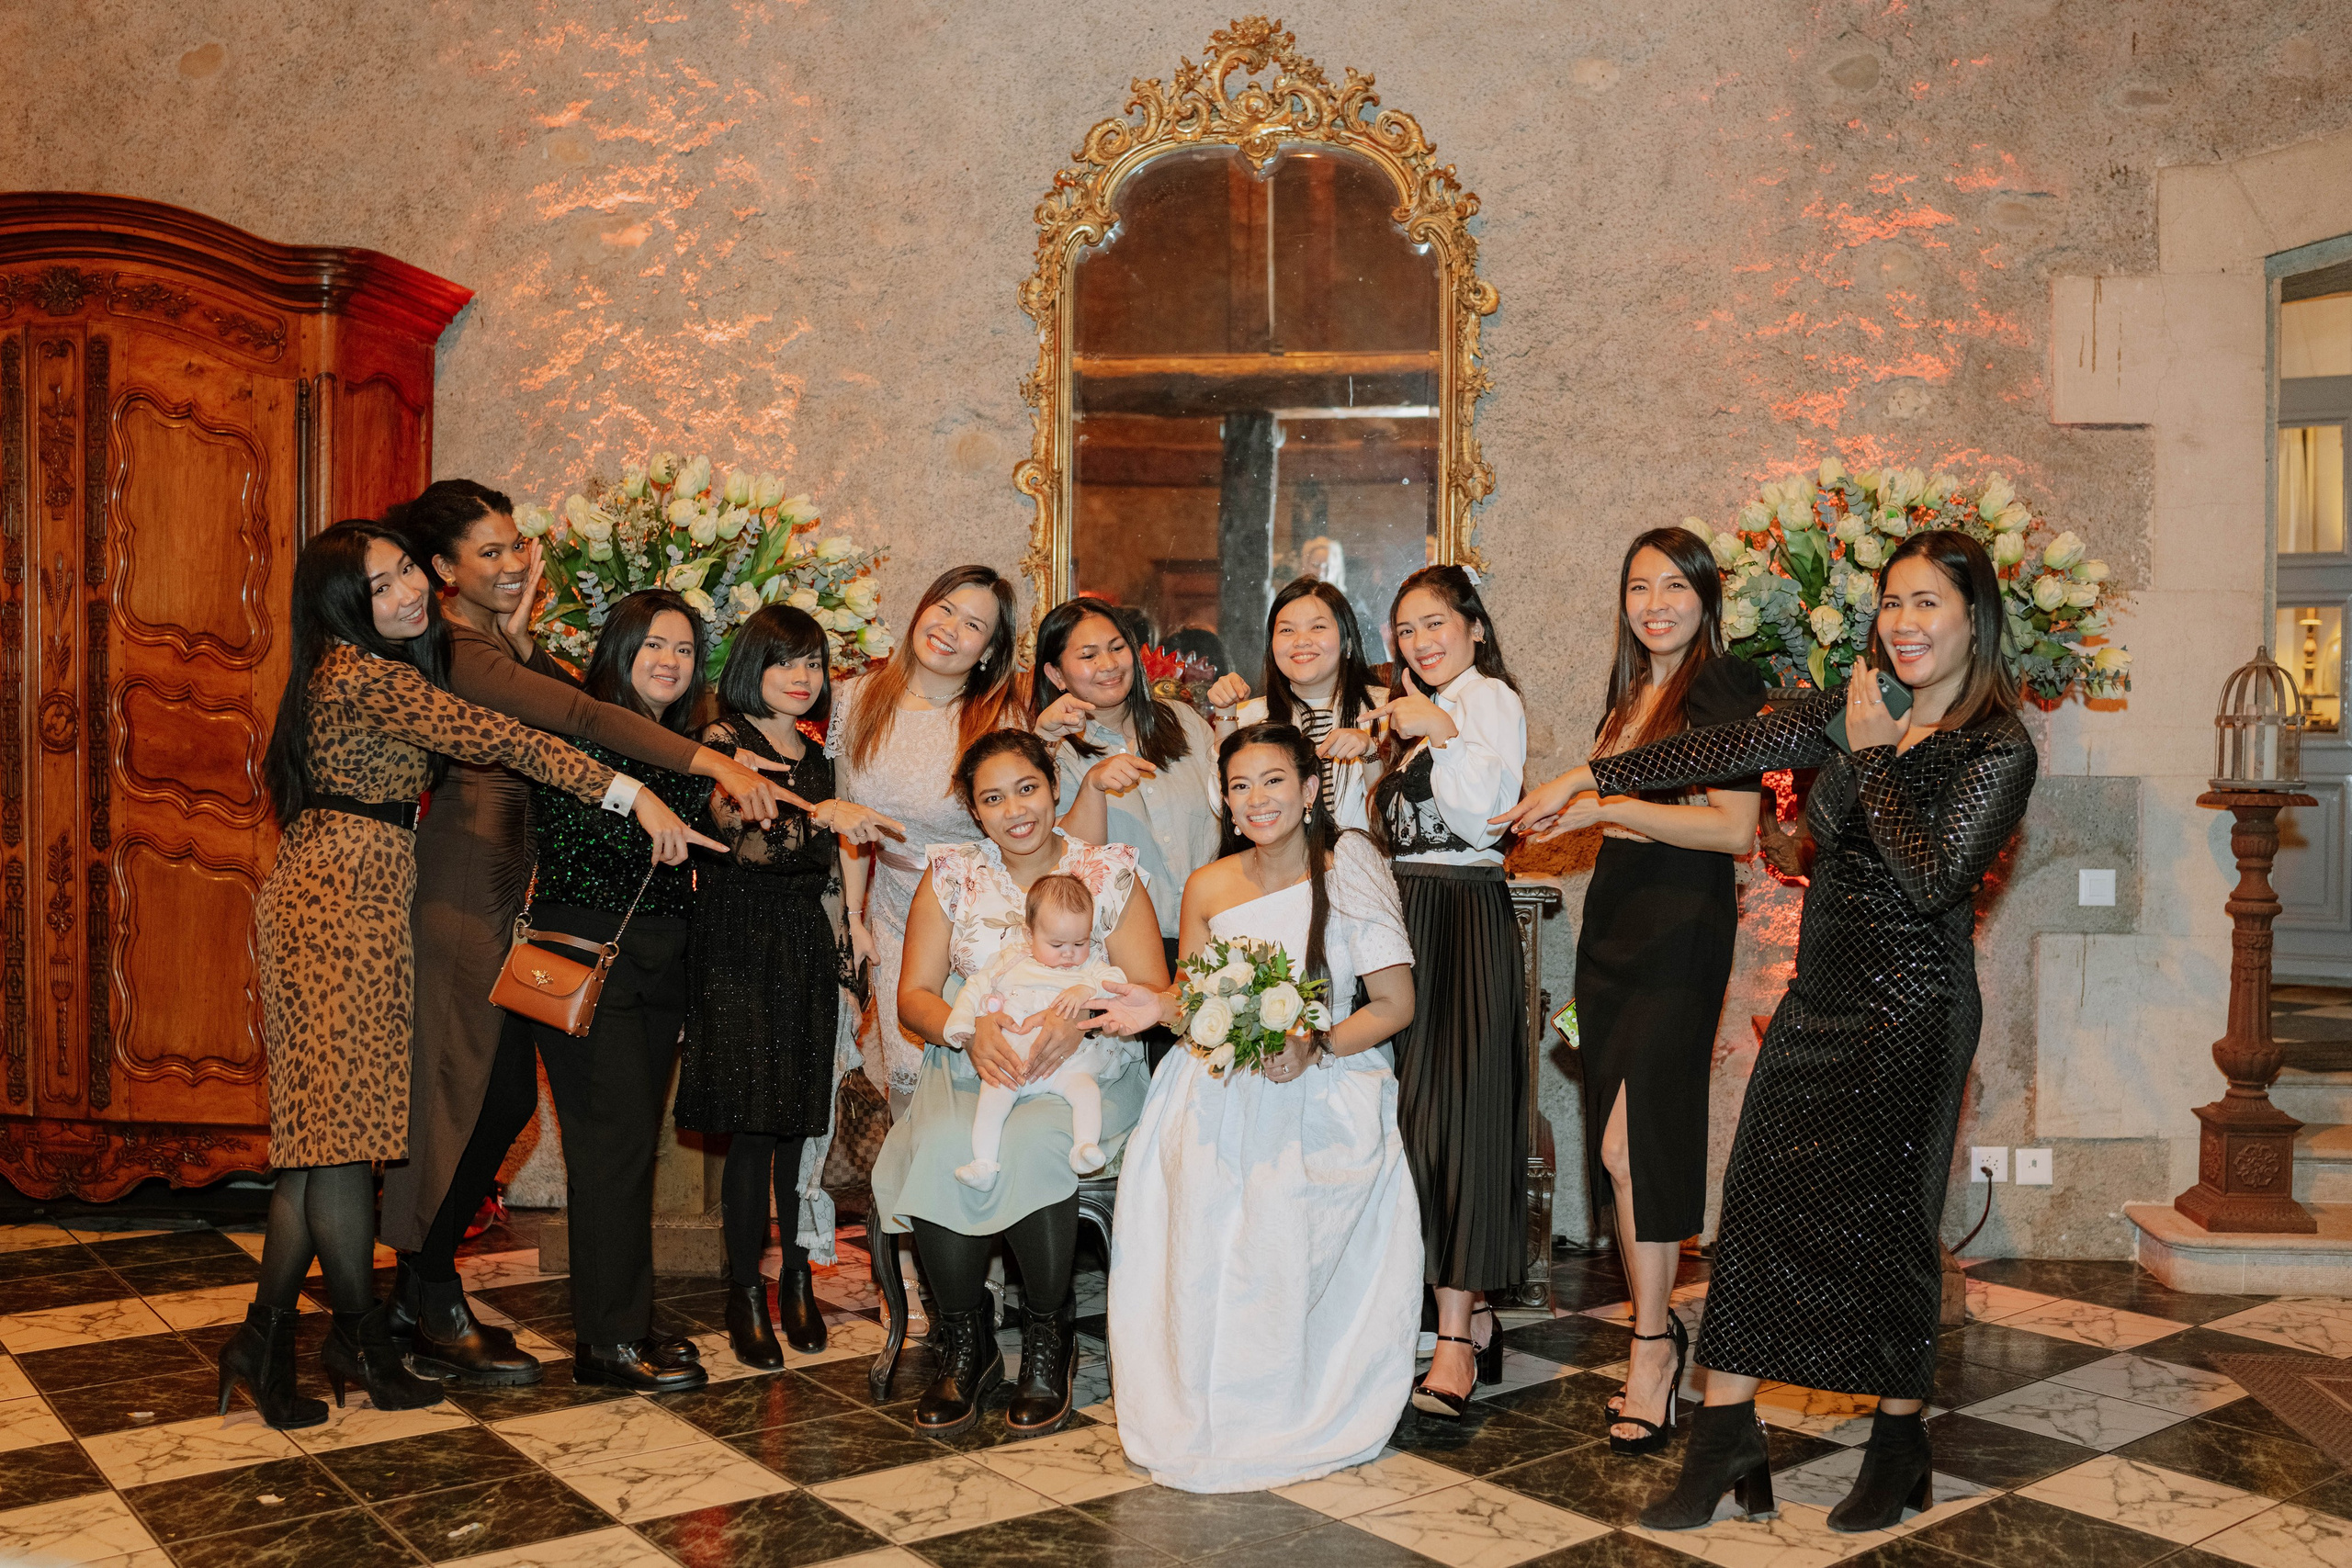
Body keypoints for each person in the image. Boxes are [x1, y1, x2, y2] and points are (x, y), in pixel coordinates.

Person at [1498, 529, 2038, 1532]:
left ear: (1975, 619)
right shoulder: (1857, 703)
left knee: (1891, 1230)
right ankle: (1724, 1438)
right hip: (1818, 1000)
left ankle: (1898, 1444)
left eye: (1927, 602)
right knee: (1752, 1214)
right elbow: (1720, 748)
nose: (1904, 622)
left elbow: (1931, 877)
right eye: (1892, 601)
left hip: (1915, 1013)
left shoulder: (1997, 746)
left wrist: (1870, 757)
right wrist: (1587, 777)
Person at [233, 521, 680, 1428]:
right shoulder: (360, 674)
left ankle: (274, 1344)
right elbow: (499, 736)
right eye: (381, 585)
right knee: (336, 1146)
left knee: (327, 1147)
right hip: (337, 903)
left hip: (359, 889)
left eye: (407, 572)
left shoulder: (369, 667)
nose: (406, 592)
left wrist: (514, 632)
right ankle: (352, 1339)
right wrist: (629, 790)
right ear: (341, 603)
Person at [378, 479, 788, 1386]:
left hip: (510, 894)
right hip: (466, 890)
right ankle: (427, 1285)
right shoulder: (455, 646)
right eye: (488, 551)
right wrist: (706, 762)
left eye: (515, 544)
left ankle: (421, 1282)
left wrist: (522, 633)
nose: (512, 561)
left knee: (500, 1106)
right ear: (443, 568)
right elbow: (580, 716)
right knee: (463, 1102)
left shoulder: (492, 643)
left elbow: (573, 711)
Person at [1108, 723, 1419, 1493]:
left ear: (1310, 789)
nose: (1257, 799)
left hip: (1328, 1068)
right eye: (1240, 785)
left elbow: (1395, 1004)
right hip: (1217, 1073)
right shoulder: (1208, 884)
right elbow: (1192, 997)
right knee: (1196, 1203)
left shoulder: (1349, 866)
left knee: (1277, 1220)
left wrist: (1317, 1044)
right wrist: (1158, 1005)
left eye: (1274, 780)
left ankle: (1283, 1398)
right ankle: (1200, 1396)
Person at [868, 731, 1168, 1438]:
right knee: (945, 1144)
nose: (1015, 809)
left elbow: (1153, 987)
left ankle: (1047, 1336)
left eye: (1027, 788)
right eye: (993, 798)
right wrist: (970, 1032)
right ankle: (966, 1342)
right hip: (974, 1062)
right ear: (975, 811)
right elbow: (914, 995)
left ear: (1054, 787)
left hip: (1088, 1067)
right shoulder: (952, 874)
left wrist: (1084, 1019)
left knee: (1035, 1143)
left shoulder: (1109, 871)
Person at [1574, 527, 1767, 1456]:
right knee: (1617, 1154)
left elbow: (1734, 830)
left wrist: (1610, 806)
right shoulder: (1628, 695)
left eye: (1675, 587)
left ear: (1706, 598)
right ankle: (1651, 1333)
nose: (1655, 604)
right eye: (1639, 587)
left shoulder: (1721, 687)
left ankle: (1652, 1347)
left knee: (1632, 1147)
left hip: (1681, 932)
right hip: (1611, 931)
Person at [520, 589, 738, 1394]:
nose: (669, 660)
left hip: (656, 960)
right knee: (609, 1148)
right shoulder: (578, 726)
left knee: (630, 1146)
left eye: (683, 648)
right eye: (652, 644)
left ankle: (628, 1319)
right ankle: (606, 1342)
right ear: (619, 648)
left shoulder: (682, 745)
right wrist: (656, 823)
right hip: (587, 953)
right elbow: (570, 833)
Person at [675, 605, 902, 1369]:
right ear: (752, 666)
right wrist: (820, 814)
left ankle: (797, 1278)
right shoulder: (722, 740)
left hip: (805, 944)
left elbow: (834, 876)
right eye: (785, 661)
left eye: (813, 662)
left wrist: (850, 950)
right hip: (737, 943)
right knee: (753, 1127)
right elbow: (741, 837)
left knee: (803, 1125)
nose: (803, 677)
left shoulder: (818, 755)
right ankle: (744, 1293)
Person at [1358, 563, 1528, 1416]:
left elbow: (1486, 816)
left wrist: (1449, 731)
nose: (1421, 641)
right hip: (1405, 918)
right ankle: (1463, 1314)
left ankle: (1455, 1336)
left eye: (1435, 623)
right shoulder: (1409, 717)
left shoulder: (1487, 700)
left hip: (1462, 915)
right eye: (1406, 629)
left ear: (1474, 628)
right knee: (1406, 1122)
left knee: (1457, 1121)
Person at [831, 566, 1026, 1111]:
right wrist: (853, 917)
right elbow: (851, 822)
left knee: (981, 1076)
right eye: (945, 609)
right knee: (907, 1083)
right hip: (891, 910)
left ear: (989, 650)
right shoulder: (857, 697)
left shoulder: (999, 715)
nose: (950, 629)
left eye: (974, 625)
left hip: (976, 915)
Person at [1035, 598, 1222, 1031]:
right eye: (1088, 655)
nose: (1108, 664)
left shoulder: (1183, 720)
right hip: (1125, 958)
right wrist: (1090, 786)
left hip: (1215, 939)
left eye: (1117, 647)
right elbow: (1059, 860)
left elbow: (1227, 811)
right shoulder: (1052, 753)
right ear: (1056, 675)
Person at [940, 874, 1134, 1188]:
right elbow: (974, 987)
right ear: (1030, 935)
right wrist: (962, 1020)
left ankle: (1084, 1147)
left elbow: (1118, 983)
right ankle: (984, 1164)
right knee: (992, 1099)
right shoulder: (1010, 960)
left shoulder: (1090, 967)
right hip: (1014, 1061)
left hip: (1068, 1064)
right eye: (1057, 945)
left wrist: (1086, 989)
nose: (1069, 954)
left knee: (1087, 1092)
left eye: (1080, 943)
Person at [1205, 574, 1387, 830]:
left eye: (1318, 627)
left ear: (1347, 642)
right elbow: (1224, 807)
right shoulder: (1249, 717)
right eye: (1287, 630)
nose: (1301, 641)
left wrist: (1371, 752)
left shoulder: (1386, 711)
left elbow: (1395, 819)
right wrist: (1225, 715)